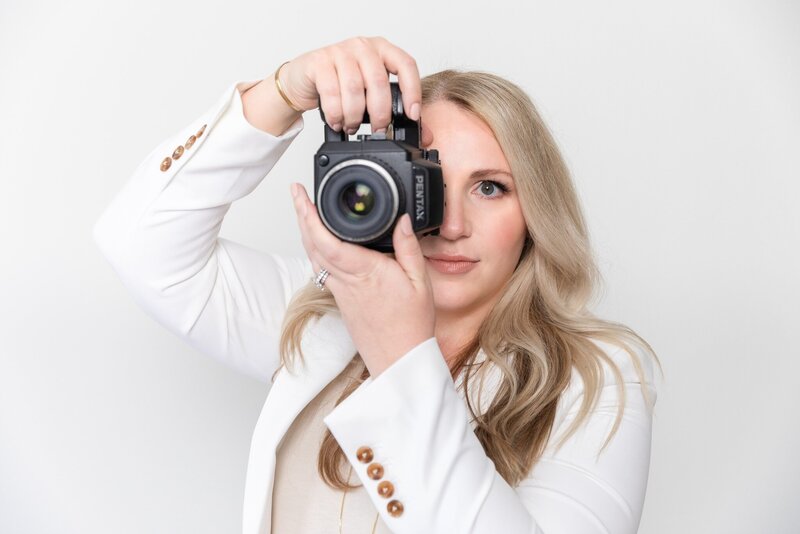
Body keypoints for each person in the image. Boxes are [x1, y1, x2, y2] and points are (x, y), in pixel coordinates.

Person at [93, 36, 661, 534]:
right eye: (427, 182)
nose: (451, 225)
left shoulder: (596, 376)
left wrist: (400, 354)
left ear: (536, 210)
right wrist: (284, 91)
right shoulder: (317, 319)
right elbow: (139, 244)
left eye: (490, 188)